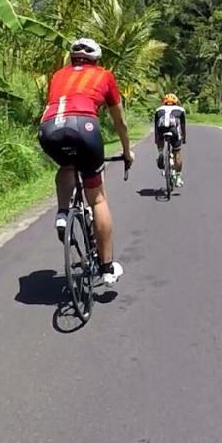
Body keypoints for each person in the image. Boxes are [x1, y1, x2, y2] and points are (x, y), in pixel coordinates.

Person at [37, 38, 134, 285]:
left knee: (67, 165)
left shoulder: (58, 75)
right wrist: (127, 151)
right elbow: (119, 121)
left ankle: (62, 213)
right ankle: (107, 267)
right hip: (84, 127)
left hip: (49, 128)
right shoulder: (104, 76)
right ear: (96, 60)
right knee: (98, 198)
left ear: (73, 59)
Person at [153, 93, 187, 187]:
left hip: (161, 129)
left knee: (160, 137)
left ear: (164, 102)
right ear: (175, 102)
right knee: (177, 152)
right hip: (174, 131)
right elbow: (182, 126)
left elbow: (156, 127)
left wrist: (157, 141)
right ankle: (178, 177)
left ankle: (160, 153)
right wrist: (183, 139)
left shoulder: (158, 110)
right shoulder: (180, 110)